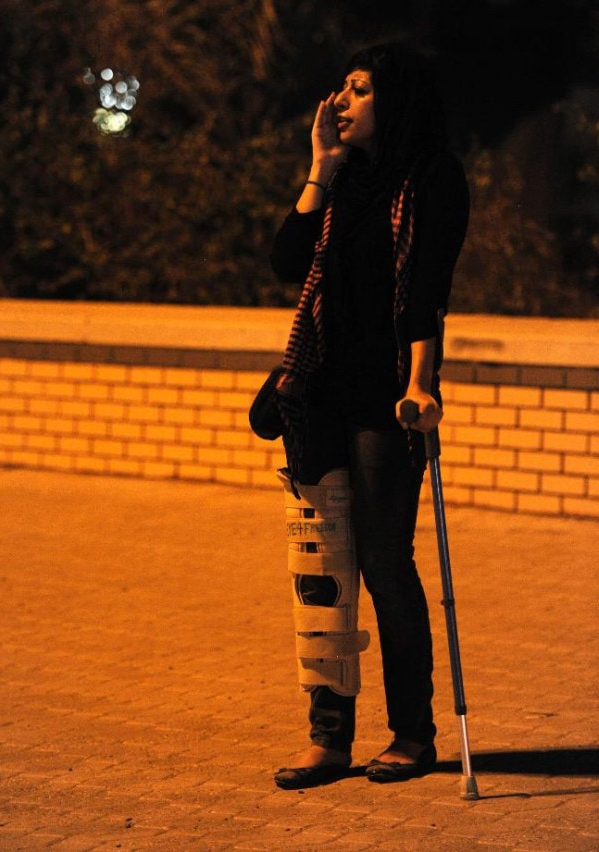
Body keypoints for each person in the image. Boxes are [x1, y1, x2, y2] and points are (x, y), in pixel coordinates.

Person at [268, 40, 469, 788]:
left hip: (385, 401)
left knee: (385, 564)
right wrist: (319, 164)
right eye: (340, 89)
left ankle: (413, 735)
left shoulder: (431, 180)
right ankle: (328, 738)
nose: (340, 102)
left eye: (357, 90)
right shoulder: (345, 180)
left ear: (396, 98)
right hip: (317, 394)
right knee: (320, 568)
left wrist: (423, 385)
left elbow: (425, 294)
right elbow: (288, 262)